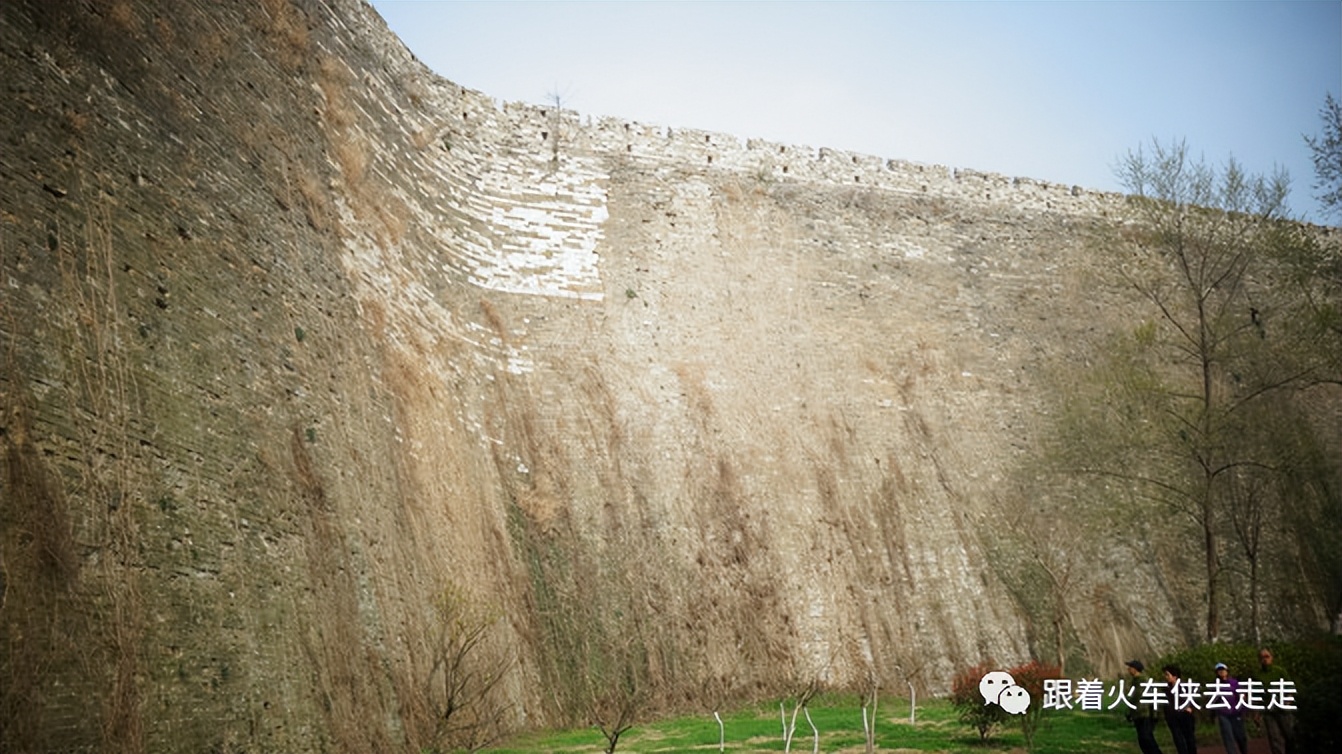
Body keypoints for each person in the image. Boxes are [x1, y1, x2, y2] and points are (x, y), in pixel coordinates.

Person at [1255, 648, 1295, 754]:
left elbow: (1290, 687)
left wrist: (1288, 701)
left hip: (1283, 708)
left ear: (1272, 658)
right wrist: (1257, 712)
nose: (1265, 659)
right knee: (1274, 737)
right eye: (1262, 657)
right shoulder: (1257, 675)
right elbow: (1257, 695)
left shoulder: (1279, 671)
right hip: (1269, 710)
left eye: (1267, 656)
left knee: (1289, 735)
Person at [1125, 660, 1164, 754]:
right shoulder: (1134, 682)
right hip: (1137, 715)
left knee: (1147, 738)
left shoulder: (1145, 681)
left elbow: (1154, 696)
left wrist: (1155, 715)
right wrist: (1130, 713)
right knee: (1142, 741)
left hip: (1146, 714)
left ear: (1135, 669)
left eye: (1130, 667)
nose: (1128, 669)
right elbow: (1134, 699)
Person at [1211, 662, 1248, 754]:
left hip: (1236, 713)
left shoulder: (1234, 683)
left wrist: (1243, 708)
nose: (1221, 672)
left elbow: (1241, 696)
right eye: (1219, 671)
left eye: (1223, 670)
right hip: (1223, 714)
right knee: (1228, 737)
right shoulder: (1215, 685)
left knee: (1240, 736)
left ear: (1227, 671)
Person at [1163, 663, 1198, 754]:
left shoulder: (1185, 687)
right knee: (1178, 739)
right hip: (1172, 717)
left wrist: (1189, 708)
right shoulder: (1166, 689)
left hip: (1184, 715)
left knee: (1189, 739)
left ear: (1175, 676)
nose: (1166, 677)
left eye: (1168, 675)